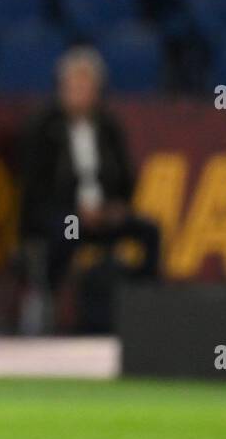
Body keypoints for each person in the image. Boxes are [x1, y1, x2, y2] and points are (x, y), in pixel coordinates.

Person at [19, 47, 160, 331]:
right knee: (63, 233)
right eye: (74, 86)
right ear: (61, 88)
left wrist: (117, 206)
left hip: (104, 214)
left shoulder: (108, 126)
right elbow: (35, 186)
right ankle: (46, 300)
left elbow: (126, 177)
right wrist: (75, 209)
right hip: (60, 215)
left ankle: (142, 309)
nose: (80, 93)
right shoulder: (43, 127)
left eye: (86, 86)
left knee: (150, 231)